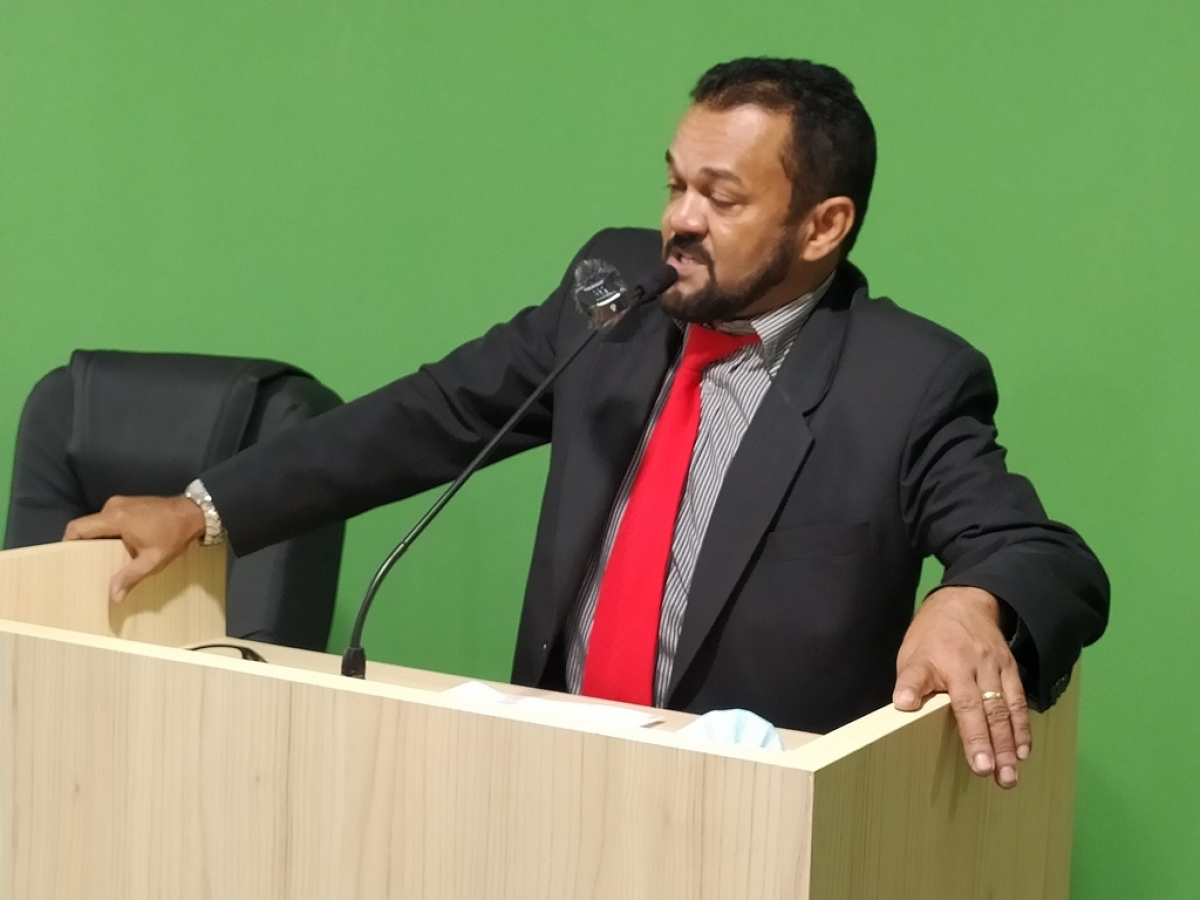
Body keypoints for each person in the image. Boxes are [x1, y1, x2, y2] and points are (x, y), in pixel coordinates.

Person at [64, 57, 1108, 789]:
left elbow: (1042, 554)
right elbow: (435, 412)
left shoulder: (906, 380)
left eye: (722, 197)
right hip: (554, 780)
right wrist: (205, 508)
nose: (679, 218)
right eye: (675, 182)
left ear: (822, 226)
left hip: (754, 822)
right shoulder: (616, 291)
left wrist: (972, 598)